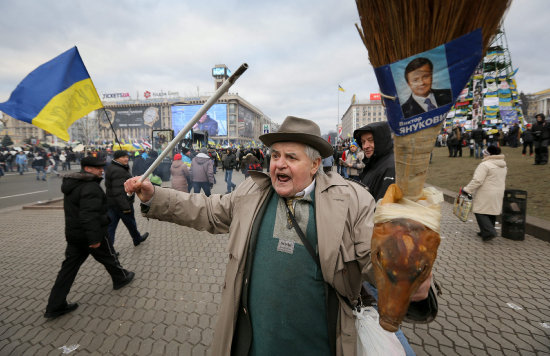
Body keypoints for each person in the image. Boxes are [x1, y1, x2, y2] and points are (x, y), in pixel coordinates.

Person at [124, 116, 435, 355]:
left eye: (291, 157)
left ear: (315, 164)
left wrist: (410, 275)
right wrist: (155, 196)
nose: (278, 164)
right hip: (255, 340)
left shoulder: (352, 201)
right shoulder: (252, 191)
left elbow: (376, 259)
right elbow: (207, 210)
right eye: (275, 156)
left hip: (321, 341)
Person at [44, 156, 135, 319]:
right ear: (87, 169)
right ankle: (121, 278)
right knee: (109, 257)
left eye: (102, 167)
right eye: (97, 167)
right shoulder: (89, 187)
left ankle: (55, 305)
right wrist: (94, 239)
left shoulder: (73, 183)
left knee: (68, 269)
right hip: (91, 234)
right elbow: (88, 215)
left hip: (75, 234)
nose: (102, 170)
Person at [105, 150, 149, 250]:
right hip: (121, 205)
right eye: (123, 157)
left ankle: (136, 239)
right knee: (129, 223)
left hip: (112, 204)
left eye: (126, 156)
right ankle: (110, 249)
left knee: (113, 226)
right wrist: (125, 207)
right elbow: (119, 191)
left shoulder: (114, 167)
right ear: (116, 158)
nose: (126, 159)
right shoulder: (118, 171)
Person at [462, 145, 507, 241]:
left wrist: (467, 189)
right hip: (498, 191)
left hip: (486, 192)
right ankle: (485, 231)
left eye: (484, 153)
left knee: (479, 211)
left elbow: (477, 180)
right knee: (491, 211)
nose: (483, 154)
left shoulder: (485, 165)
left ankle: (489, 231)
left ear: (488, 154)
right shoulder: (503, 165)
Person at [354, 121, 396, 201]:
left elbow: (383, 207)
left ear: (382, 140)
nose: (365, 146)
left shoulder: (391, 167)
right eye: (363, 142)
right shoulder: (373, 162)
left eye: (371, 140)